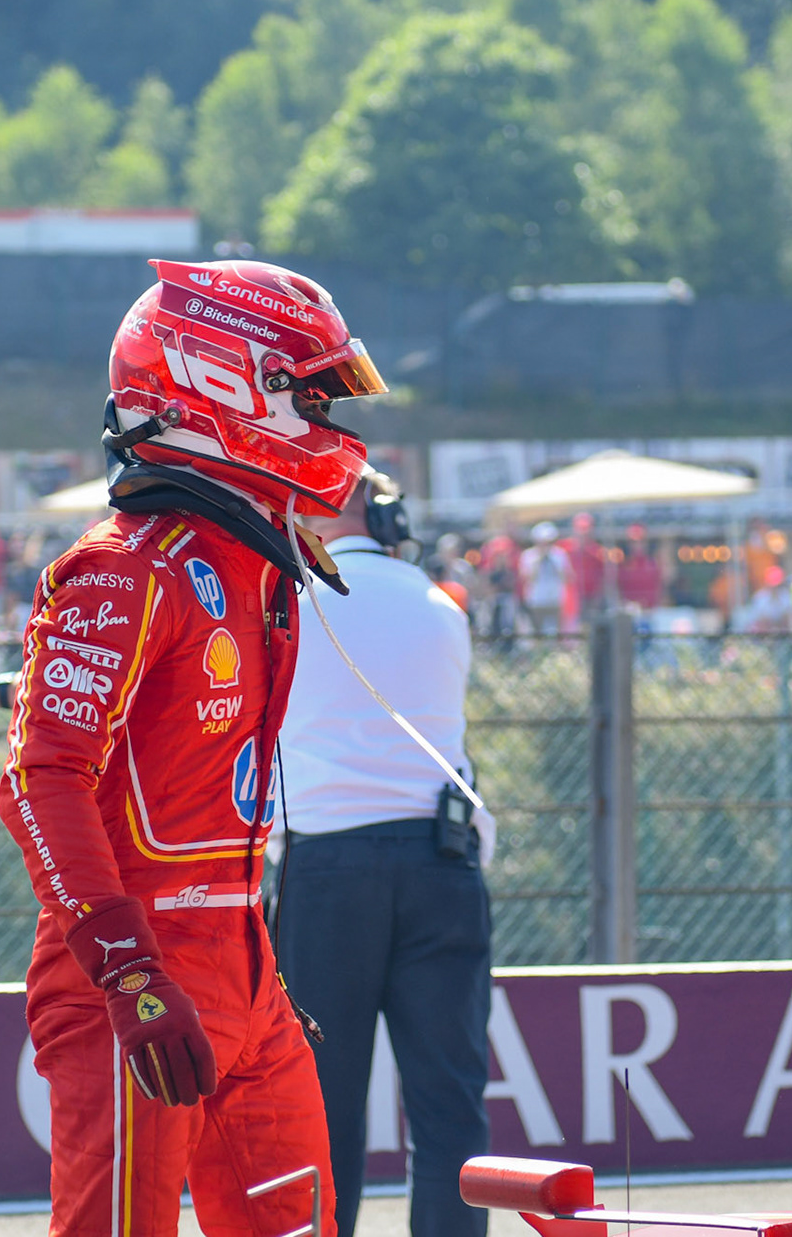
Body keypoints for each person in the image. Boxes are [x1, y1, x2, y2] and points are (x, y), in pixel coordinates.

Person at [0, 257, 384, 1237]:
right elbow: (39, 779)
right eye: (315, 394)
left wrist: (245, 978)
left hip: (248, 962)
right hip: (134, 967)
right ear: (219, 383)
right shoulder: (123, 569)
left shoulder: (253, 567)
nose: (335, 426)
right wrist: (128, 971)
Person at [273, 468, 493, 1237]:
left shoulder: (289, 606)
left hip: (325, 867)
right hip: (442, 862)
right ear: (381, 511)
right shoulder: (439, 606)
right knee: (450, 1104)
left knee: (321, 1108)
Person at [518, 521, 572, 636]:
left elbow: (567, 577)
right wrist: (539, 560)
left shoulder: (559, 555)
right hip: (536, 601)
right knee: (537, 634)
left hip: (555, 600)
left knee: (555, 633)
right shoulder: (528, 555)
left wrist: (554, 564)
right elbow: (528, 578)